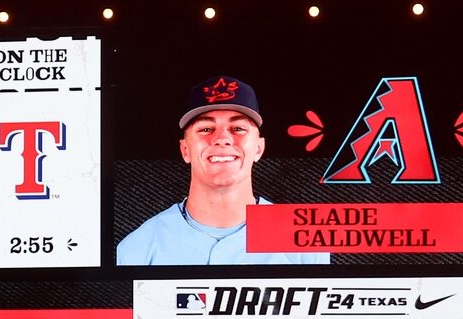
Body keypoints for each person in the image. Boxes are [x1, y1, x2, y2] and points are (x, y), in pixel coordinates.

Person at [117, 75, 331, 265]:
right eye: (206, 129)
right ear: (185, 149)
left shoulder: (303, 243)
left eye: (238, 128)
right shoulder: (138, 249)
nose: (222, 139)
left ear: (258, 148)